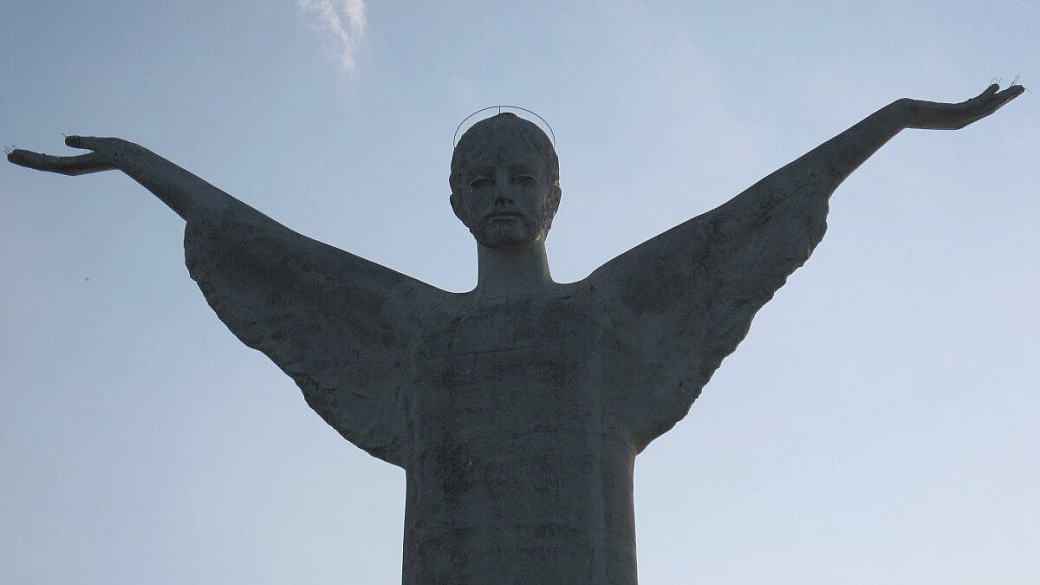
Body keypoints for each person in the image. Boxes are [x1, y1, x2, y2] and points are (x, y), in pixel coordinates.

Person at [7, 84, 1023, 585]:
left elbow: (751, 214)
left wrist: (889, 118)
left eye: (519, 177)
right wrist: (143, 165)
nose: (501, 194)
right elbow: (270, 249)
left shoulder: (606, 314)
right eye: (481, 180)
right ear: (453, 200)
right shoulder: (415, 328)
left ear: (553, 197)